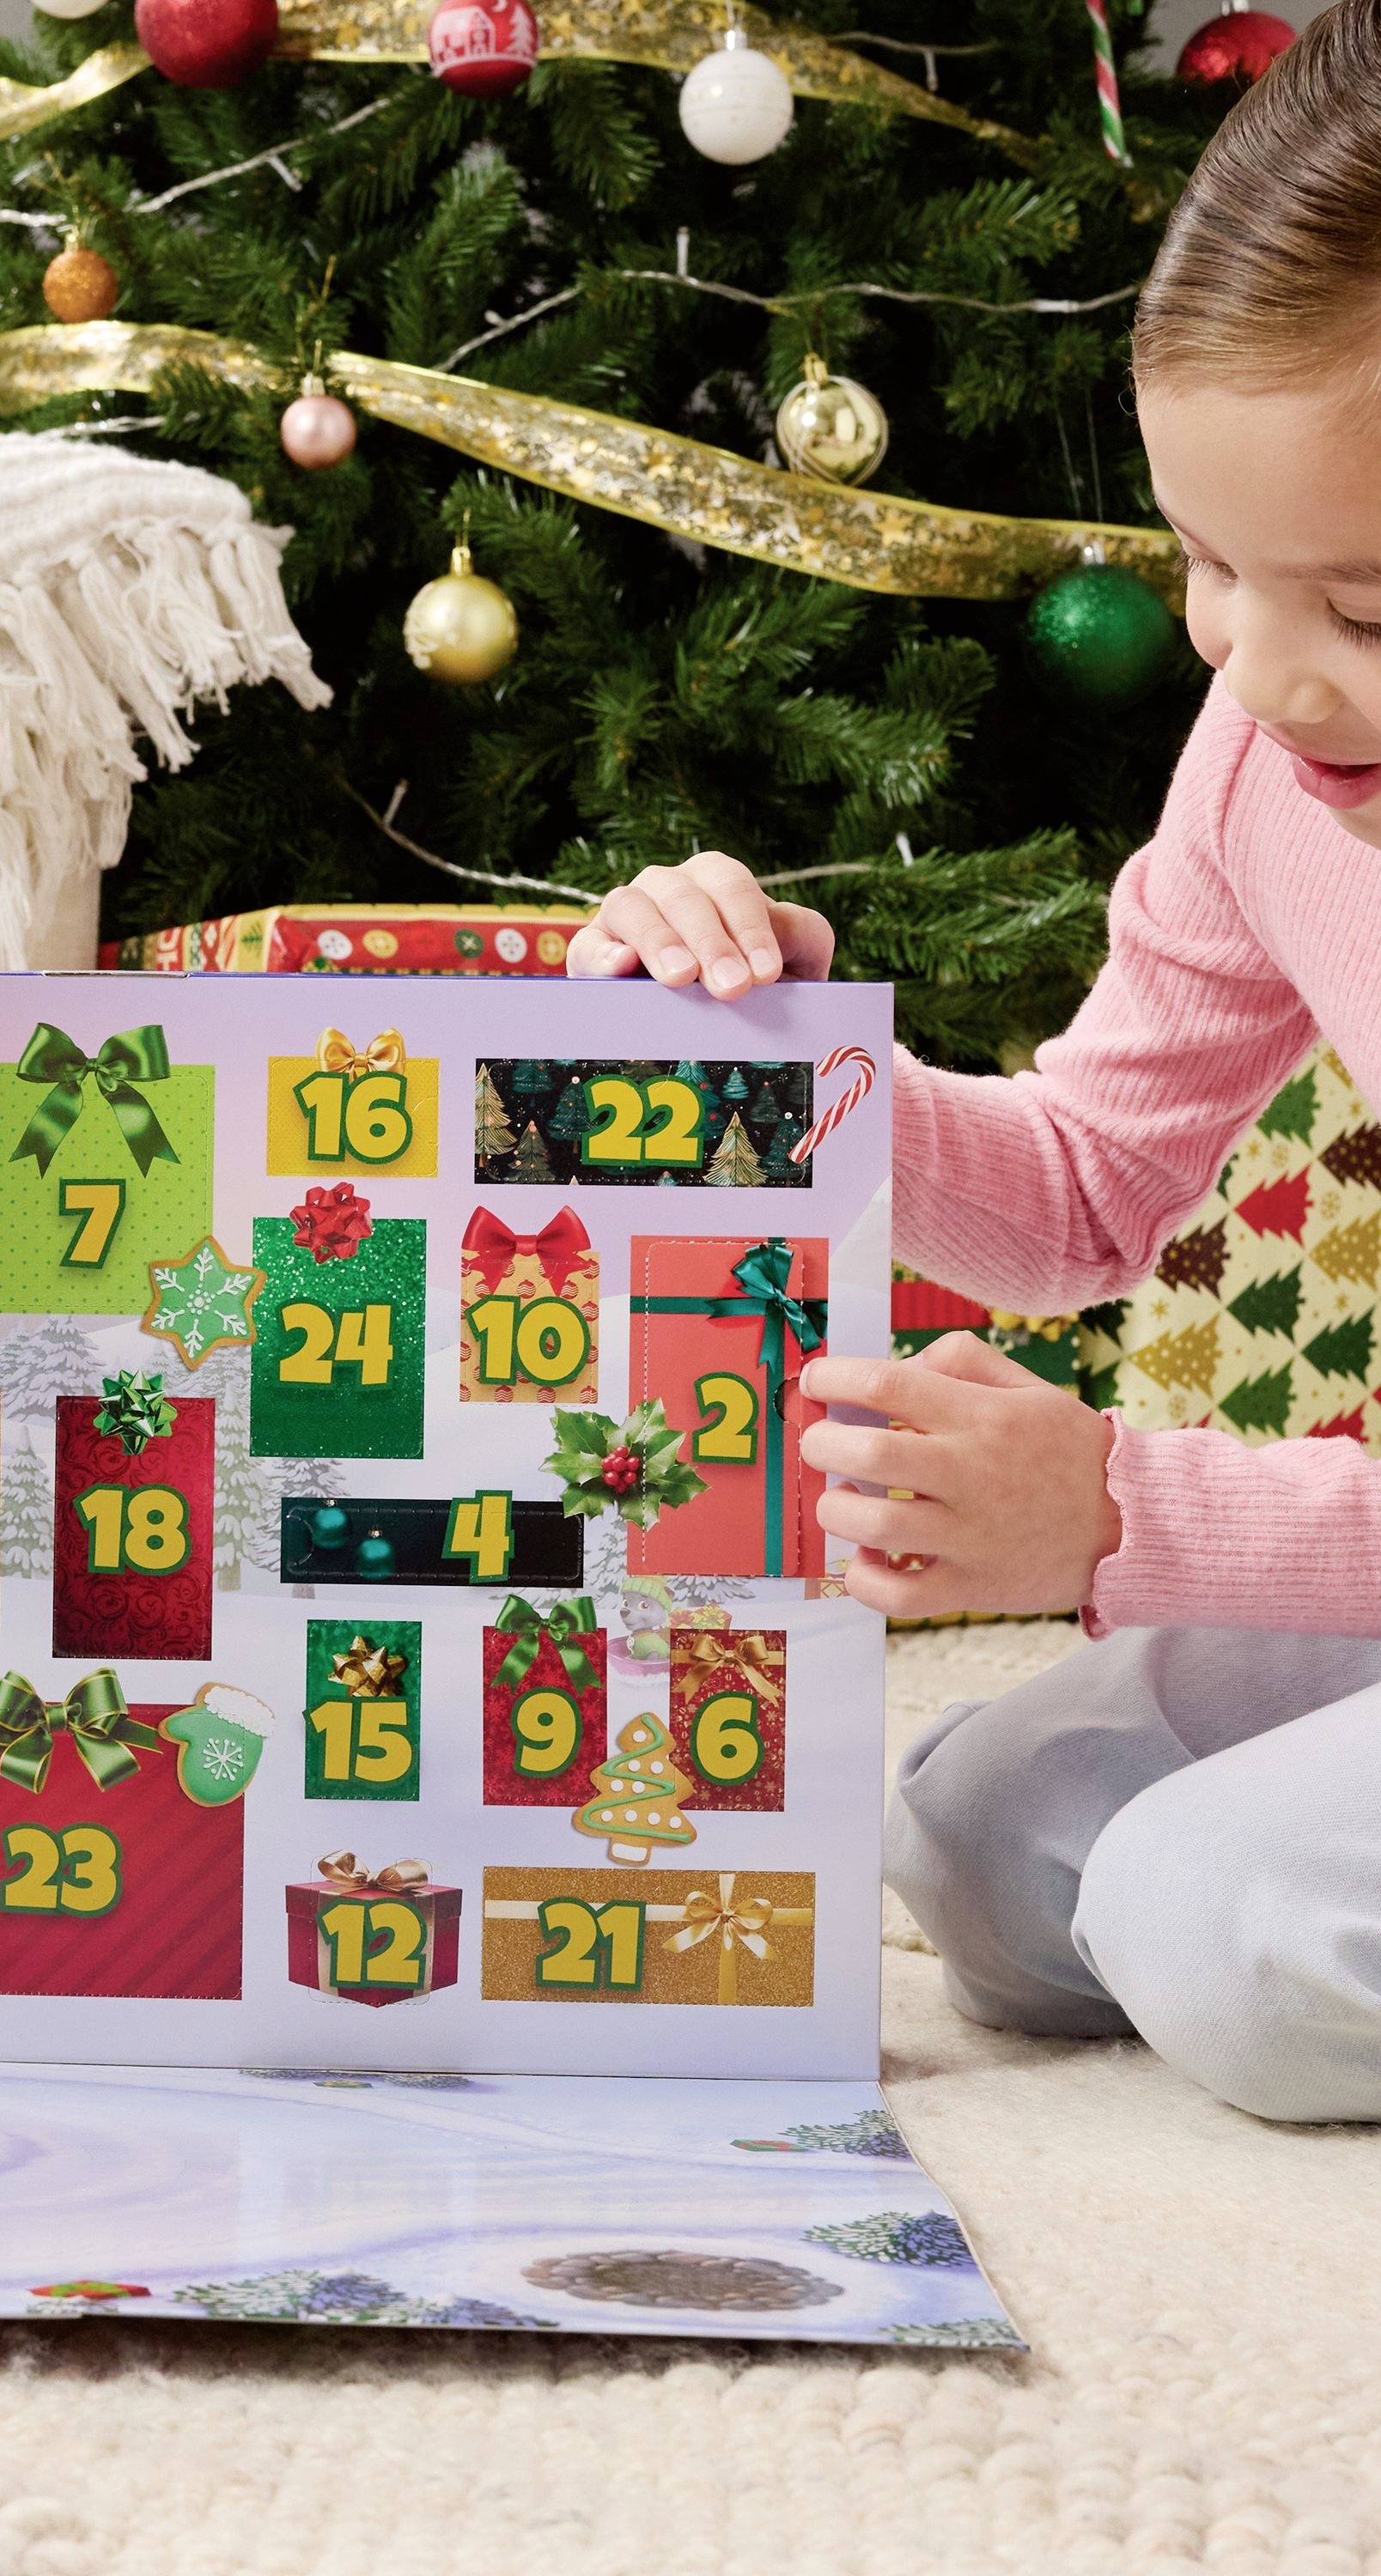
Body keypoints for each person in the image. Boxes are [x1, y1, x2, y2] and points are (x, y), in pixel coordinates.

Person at [567, 1, 1381, 2124]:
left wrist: (1125, 1512)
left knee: (1225, 1933)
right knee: (982, 1840)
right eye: (1208, 568)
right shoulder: (1269, 768)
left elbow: (1141, 1508)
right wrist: (787, 1057)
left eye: (1365, 609)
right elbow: (1087, 1191)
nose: (1267, 672)